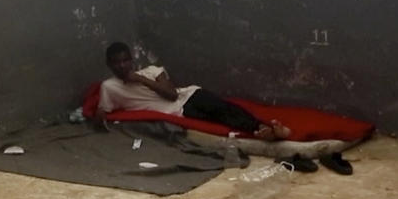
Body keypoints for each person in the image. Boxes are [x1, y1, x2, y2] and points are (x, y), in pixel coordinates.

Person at [96, 42, 291, 141]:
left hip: (189, 95)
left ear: (132, 60)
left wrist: (140, 79)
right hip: (180, 112)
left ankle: (264, 127)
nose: (122, 66)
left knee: (225, 108)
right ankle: (262, 132)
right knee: (220, 119)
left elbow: (172, 94)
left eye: (125, 60)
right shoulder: (109, 87)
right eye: (116, 62)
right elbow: (101, 114)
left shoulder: (151, 71)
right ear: (108, 65)